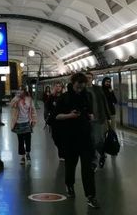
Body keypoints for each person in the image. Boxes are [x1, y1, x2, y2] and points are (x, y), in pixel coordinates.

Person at [56, 72, 100, 209]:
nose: (80, 89)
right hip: (70, 137)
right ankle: (69, 184)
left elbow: (90, 112)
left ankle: (91, 196)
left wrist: (90, 116)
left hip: (85, 136)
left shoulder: (87, 96)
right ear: (72, 83)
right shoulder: (64, 97)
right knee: (71, 164)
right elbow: (56, 116)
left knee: (88, 168)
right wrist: (70, 115)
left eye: (82, 87)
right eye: (78, 87)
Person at [85, 72, 111, 168]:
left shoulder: (98, 89)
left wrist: (108, 117)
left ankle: (102, 153)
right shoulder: (82, 90)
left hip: (99, 119)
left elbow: (105, 103)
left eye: (89, 78)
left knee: (98, 140)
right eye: (86, 78)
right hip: (87, 120)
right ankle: (94, 161)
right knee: (91, 141)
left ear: (92, 78)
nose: (88, 79)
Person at [10, 86, 37, 165]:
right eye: (19, 90)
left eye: (22, 90)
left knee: (28, 140)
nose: (20, 91)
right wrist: (17, 97)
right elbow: (11, 105)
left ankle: (28, 153)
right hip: (18, 123)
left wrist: (34, 120)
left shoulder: (29, 99)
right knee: (20, 141)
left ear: (25, 91)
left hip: (27, 122)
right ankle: (22, 156)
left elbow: (33, 110)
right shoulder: (16, 99)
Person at [46, 83, 65, 160]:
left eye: (59, 86)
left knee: (63, 137)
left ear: (62, 88)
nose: (58, 87)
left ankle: (62, 154)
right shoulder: (51, 97)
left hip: (63, 119)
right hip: (54, 120)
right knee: (55, 137)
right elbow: (47, 106)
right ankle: (60, 149)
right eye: (56, 86)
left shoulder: (64, 96)